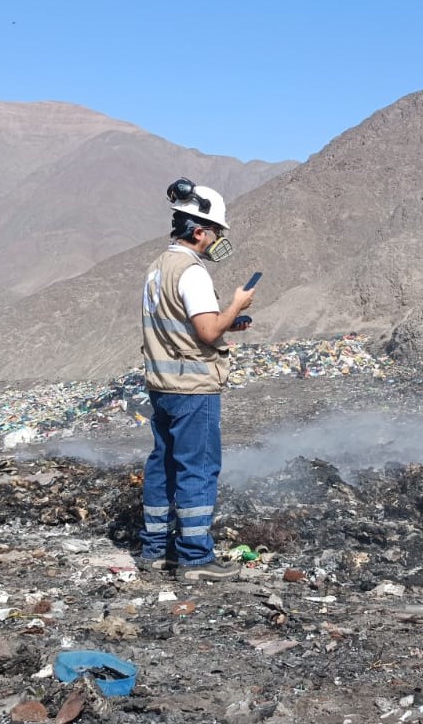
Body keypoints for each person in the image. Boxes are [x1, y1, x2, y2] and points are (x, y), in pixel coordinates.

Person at [138, 177, 255, 581]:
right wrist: (236, 304)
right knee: (198, 469)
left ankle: (153, 548)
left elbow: (181, 328)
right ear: (200, 230)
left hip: (161, 385)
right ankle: (194, 556)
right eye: (216, 232)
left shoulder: (157, 269)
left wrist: (227, 323)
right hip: (193, 388)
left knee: (163, 465)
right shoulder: (192, 272)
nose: (217, 240)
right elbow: (206, 333)